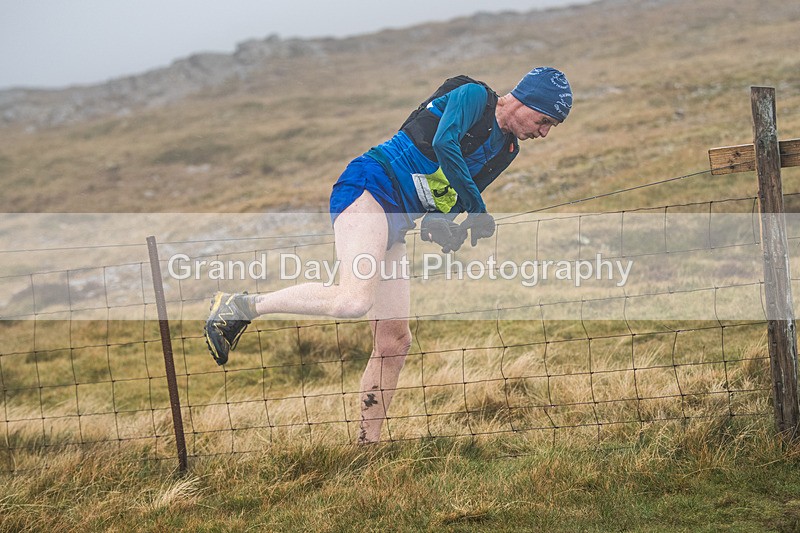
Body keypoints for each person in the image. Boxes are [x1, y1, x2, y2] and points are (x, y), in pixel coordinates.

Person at [204, 67, 572, 444]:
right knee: (352, 301)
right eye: (544, 120)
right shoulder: (474, 97)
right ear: (525, 99)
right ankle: (240, 306)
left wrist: (450, 226)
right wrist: (478, 209)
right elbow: (445, 143)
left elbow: (452, 193)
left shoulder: (506, 149)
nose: (543, 132)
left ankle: (367, 446)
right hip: (370, 187)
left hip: (397, 221)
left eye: (550, 127)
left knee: (394, 341)